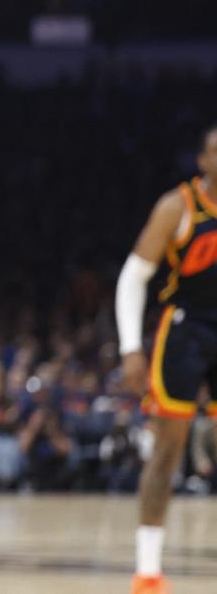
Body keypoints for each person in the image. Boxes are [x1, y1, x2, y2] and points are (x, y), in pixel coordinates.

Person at [116, 125, 217, 594]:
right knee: (167, 452)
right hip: (185, 331)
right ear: (203, 161)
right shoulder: (176, 207)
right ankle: (148, 572)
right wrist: (130, 347)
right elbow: (134, 277)